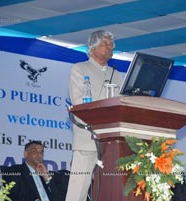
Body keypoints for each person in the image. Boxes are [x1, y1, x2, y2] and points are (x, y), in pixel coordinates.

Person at [66, 30, 123, 201]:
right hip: (88, 139)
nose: (110, 47)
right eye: (106, 43)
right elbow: (80, 103)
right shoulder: (79, 68)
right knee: (78, 191)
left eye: (111, 44)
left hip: (113, 142)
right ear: (92, 48)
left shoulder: (116, 74)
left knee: (110, 190)